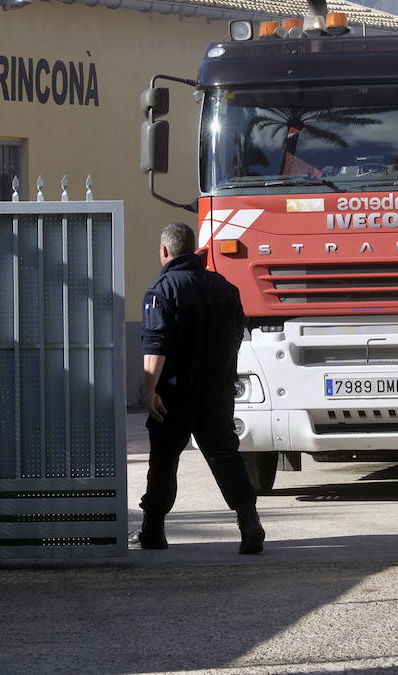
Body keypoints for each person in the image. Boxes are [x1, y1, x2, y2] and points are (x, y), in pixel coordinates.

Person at [136, 221, 265, 555]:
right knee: (225, 455)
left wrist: (149, 389)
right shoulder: (225, 287)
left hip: (174, 395)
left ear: (165, 251)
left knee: (164, 461)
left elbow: (156, 345)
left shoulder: (162, 289)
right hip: (217, 392)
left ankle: (153, 531)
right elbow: (238, 334)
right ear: (192, 249)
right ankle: (250, 523)